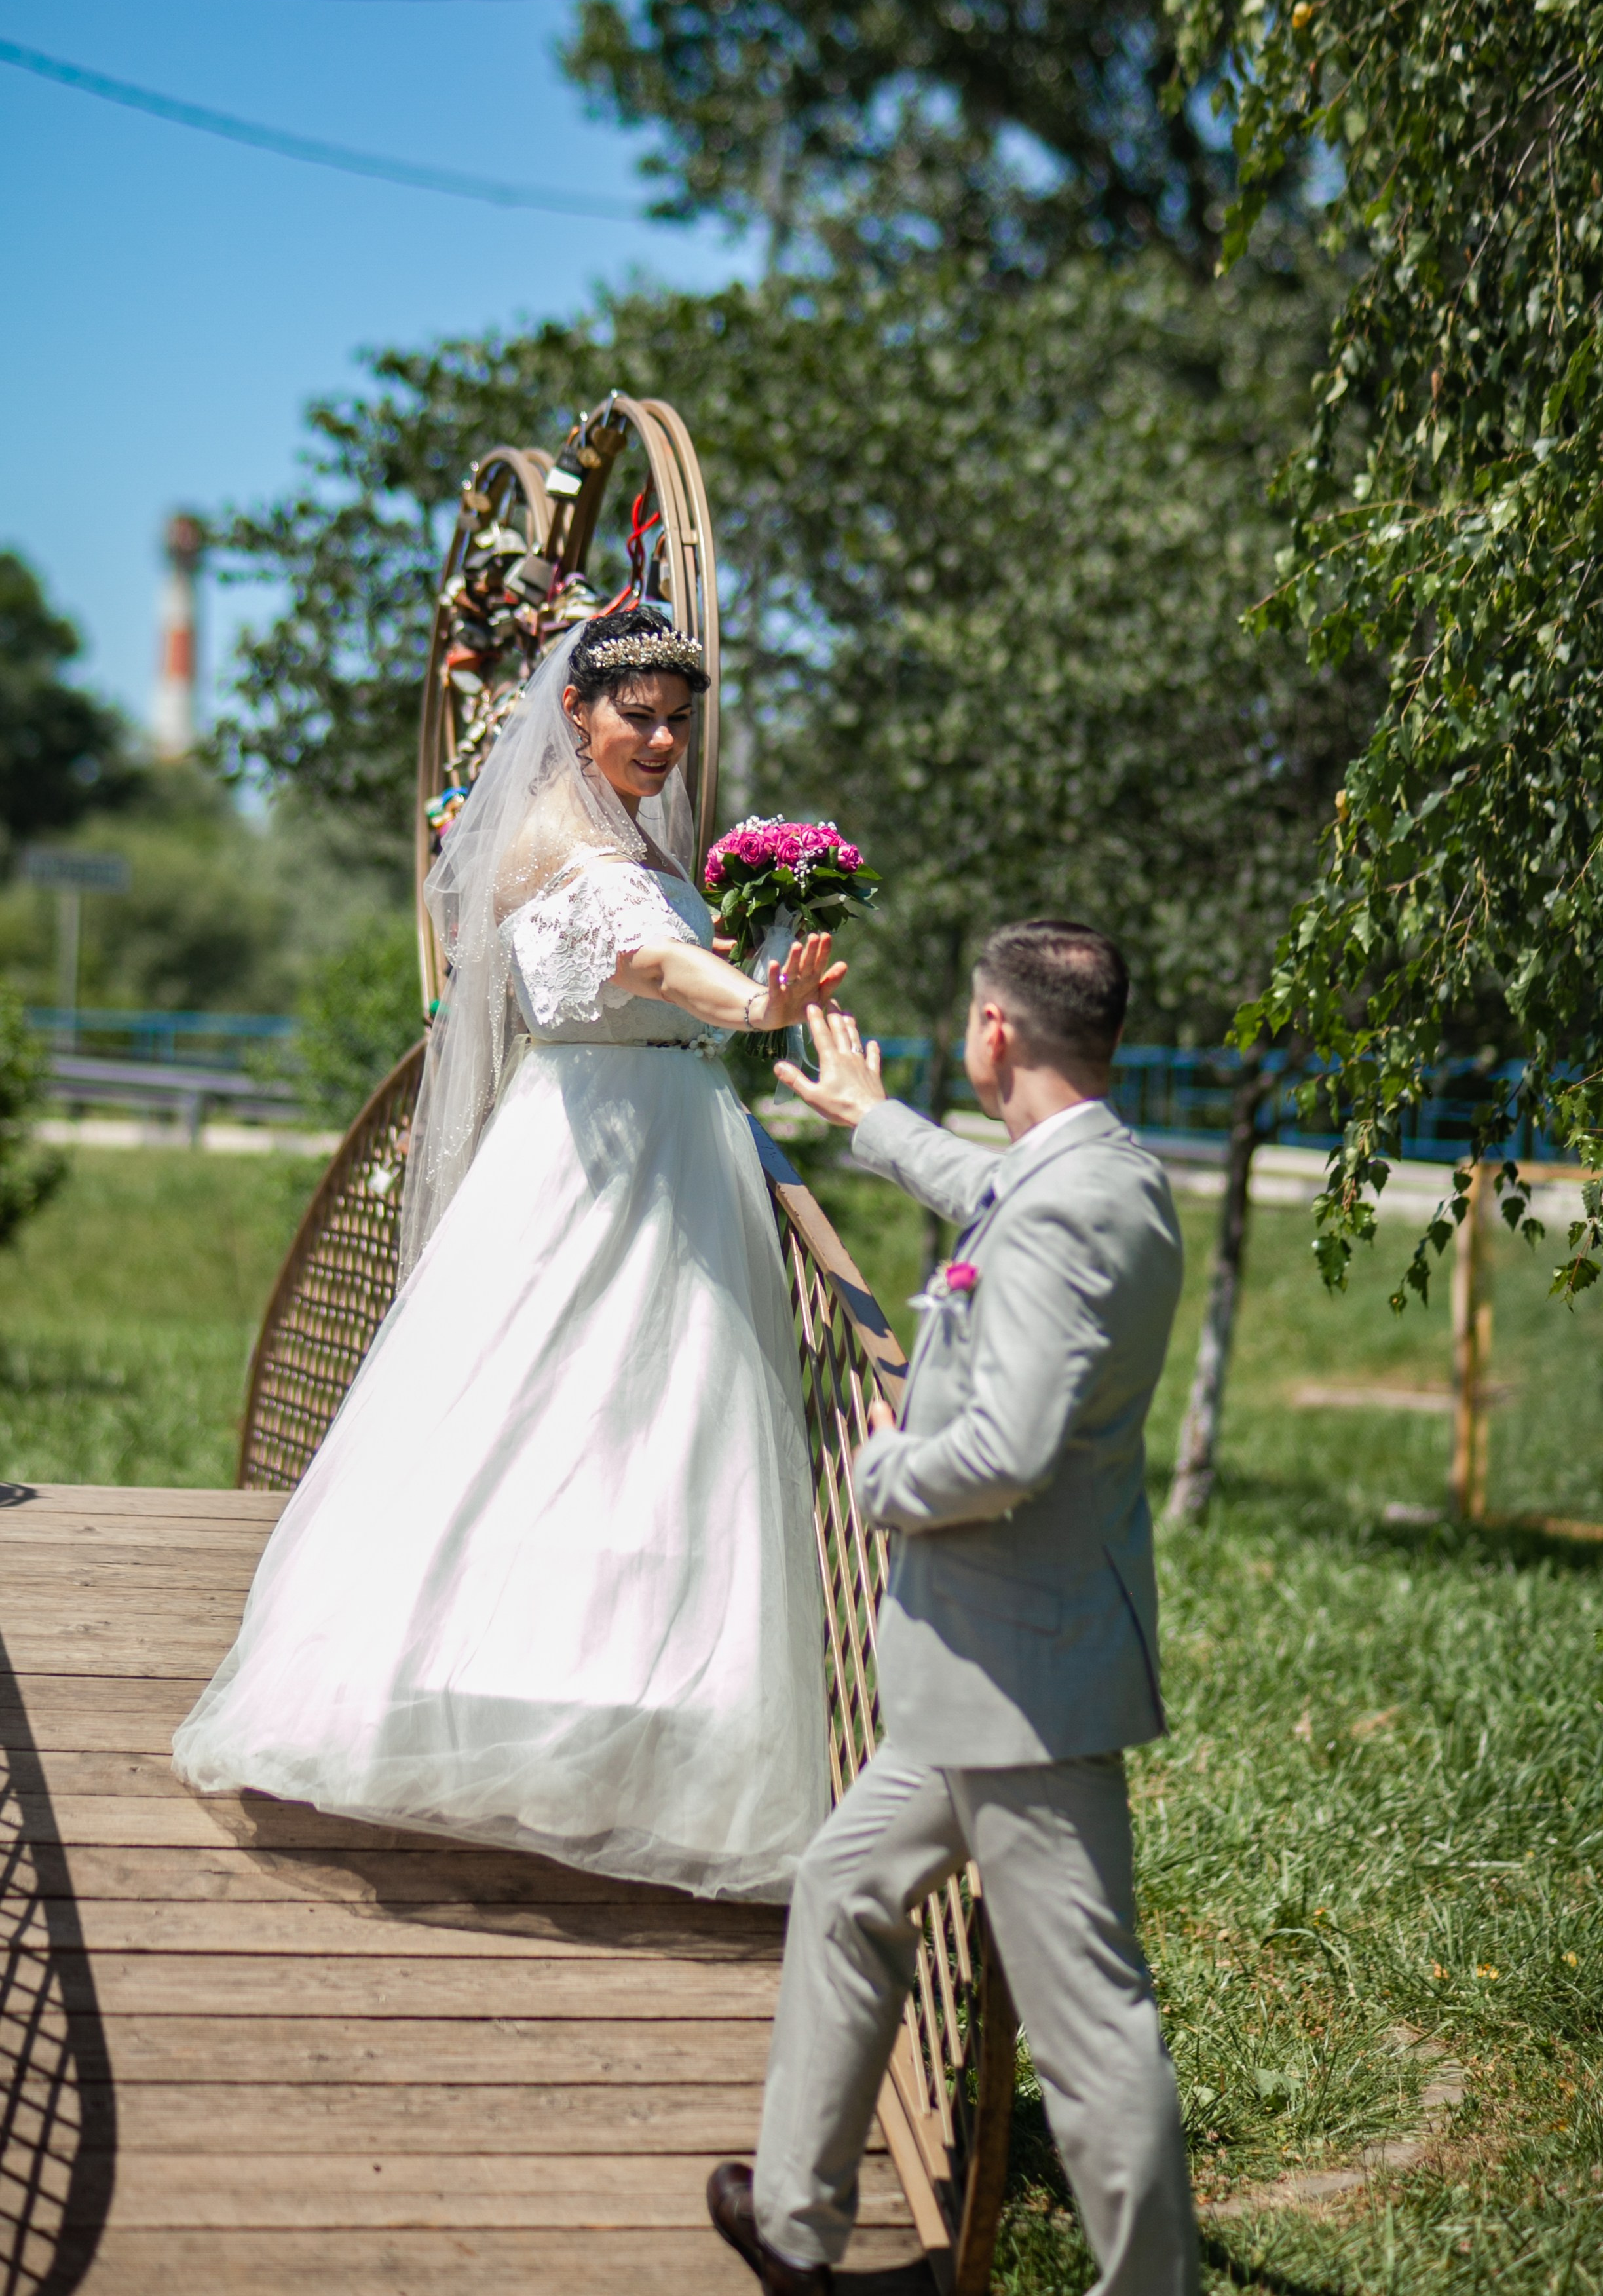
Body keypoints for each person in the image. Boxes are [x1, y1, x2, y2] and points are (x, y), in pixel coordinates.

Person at [173, 610, 835, 1902]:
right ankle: (443, 1696)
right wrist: (760, 1002)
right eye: (638, 715)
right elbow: (651, 963)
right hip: (594, 1155)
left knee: (657, 1433)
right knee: (537, 1410)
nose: (662, 739)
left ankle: (617, 1722)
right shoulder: (555, 836)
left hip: (677, 1144)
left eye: (677, 720)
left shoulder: (638, 834)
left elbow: (673, 956)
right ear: (575, 711)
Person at [707, 919, 1199, 2294]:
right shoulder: (1100, 1171)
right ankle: (797, 2225)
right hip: (986, 1666)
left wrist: (878, 1467)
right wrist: (871, 1122)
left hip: (1023, 1685)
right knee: (846, 1884)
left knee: (1092, 2027)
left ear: (994, 1030)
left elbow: (1008, 1450)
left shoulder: (1068, 1206)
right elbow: (990, 1194)